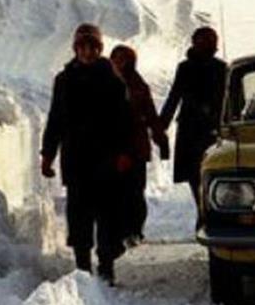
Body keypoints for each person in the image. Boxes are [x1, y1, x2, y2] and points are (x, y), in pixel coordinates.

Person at [40, 23, 135, 282]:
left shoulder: (112, 78)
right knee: (79, 213)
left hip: (107, 157)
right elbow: (55, 119)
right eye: (82, 47)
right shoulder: (64, 80)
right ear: (76, 49)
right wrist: (47, 154)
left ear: (99, 48)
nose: (87, 52)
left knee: (107, 214)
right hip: (76, 158)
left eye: (92, 47)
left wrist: (125, 152)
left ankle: (106, 265)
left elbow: (125, 119)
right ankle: (83, 267)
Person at [159, 26, 227, 218]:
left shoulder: (222, 68)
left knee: (213, 175)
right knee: (195, 177)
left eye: (211, 40)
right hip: (191, 131)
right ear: (194, 43)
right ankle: (203, 213)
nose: (208, 44)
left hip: (215, 130)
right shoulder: (186, 68)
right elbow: (174, 97)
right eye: (204, 40)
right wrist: (161, 126)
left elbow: (233, 102)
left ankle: (209, 215)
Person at [110, 44, 169, 245]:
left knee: (135, 191)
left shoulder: (138, 85)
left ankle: (134, 229)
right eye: (116, 58)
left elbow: (151, 114)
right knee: (116, 191)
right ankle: (119, 230)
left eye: (123, 58)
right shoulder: (105, 82)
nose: (119, 62)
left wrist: (161, 137)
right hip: (113, 147)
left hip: (136, 146)